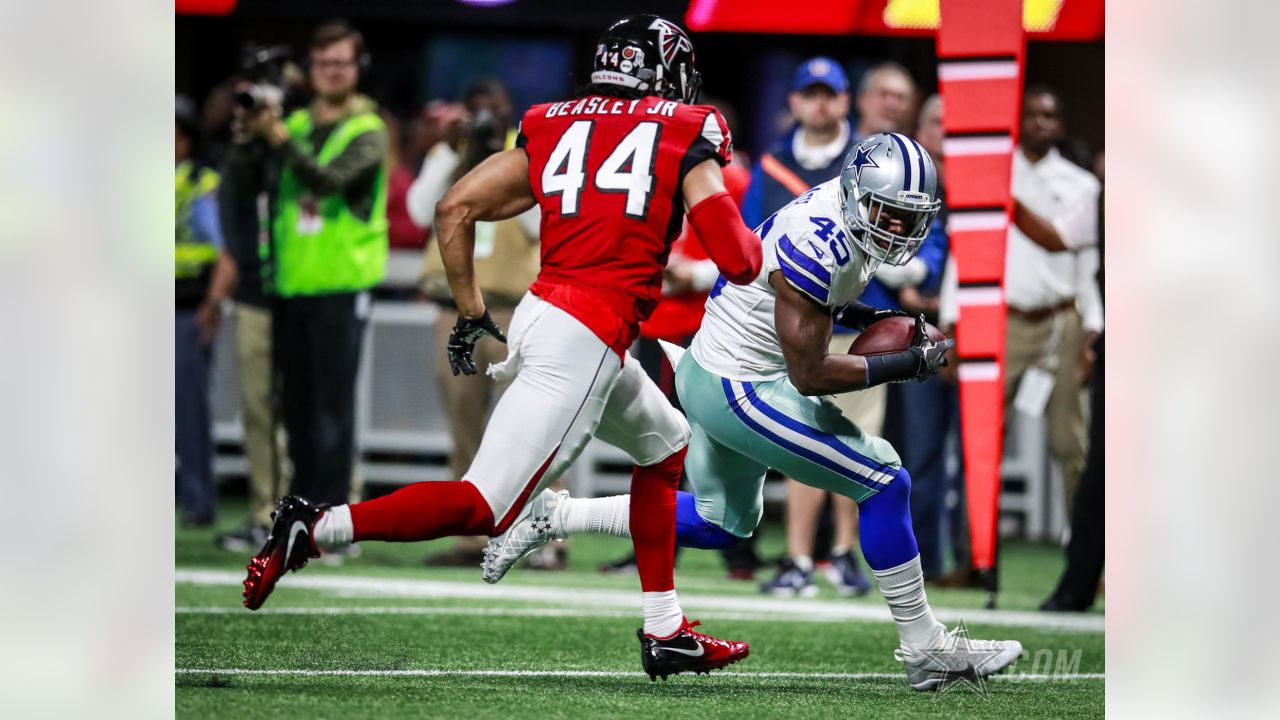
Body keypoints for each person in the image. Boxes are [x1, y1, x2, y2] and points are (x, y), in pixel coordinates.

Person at [242, 14, 762, 680]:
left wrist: (471, 312)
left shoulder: (554, 120)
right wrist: (769, 245)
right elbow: (739, 261)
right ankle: (313, 528)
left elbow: (454, 206)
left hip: (545, 311)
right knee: (483, 506)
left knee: (664, 443)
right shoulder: (687, 130)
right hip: (587, 334)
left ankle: (665, 630)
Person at [487, 134, 1023, 691]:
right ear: (859, 196)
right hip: (741, 385)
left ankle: (554, 517)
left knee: (724, 523)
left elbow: (810, 298)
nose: (896, 231)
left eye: (909, 220)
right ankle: (926, 647)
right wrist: (908, 361)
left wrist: (865, 317)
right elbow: (809, 374)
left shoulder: (836, 210)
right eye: (888, 214)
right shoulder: (825, 240)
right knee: (884, 481)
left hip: (710, 368)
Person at [749, 60, 920, 597]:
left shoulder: (875, 160)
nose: (820, 105)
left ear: (847, 101)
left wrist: (915, 273)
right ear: (795, 102)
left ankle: (843, 553)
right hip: (795, 322)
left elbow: (914, 233)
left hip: (861, 315)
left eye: (830, 94)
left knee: (860, 440)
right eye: (811, 94)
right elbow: (750, 241)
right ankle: (799, 555)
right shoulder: (774, 164)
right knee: (805, 436)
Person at [236, 20, 390, 509]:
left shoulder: (369, 130)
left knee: (331, 411)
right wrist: (248, 136)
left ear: (358, 68)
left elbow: (325, 181)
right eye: (322, 63)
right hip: (291, 285)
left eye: (341, 62)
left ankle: (332, 518)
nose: (330, 72)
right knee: (297, 410)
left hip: (341, 285)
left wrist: (277, 137)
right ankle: (299, 512)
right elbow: (246, 185)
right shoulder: (296, 124)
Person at [405, 79, 549, 570]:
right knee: (464, 431)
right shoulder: (450, 154)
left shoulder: (528, 152)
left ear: (510, 112)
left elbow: (537, 225)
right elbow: (420, 212)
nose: (487, 120)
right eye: (478, 111)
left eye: (495, 110)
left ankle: (542, 540)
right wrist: (450, 154)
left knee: (532, 428)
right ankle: (471, 539)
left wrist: (500, 159)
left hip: (513, 310)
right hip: (454, 312)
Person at [1004, 86, 1102, 515]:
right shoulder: (999, 169)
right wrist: (954, 316)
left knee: (1070, 441)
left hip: (1063, 320)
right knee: (982, 437)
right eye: (1031, 115)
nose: (1040, 123)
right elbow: (969, 246)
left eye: (1049, 116)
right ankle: (977, 556)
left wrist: (1092, 331)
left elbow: (1082, 261)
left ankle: (1084, 556)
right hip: (1005, 319)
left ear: (1060, 125)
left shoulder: (1082, 185)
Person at [175, 95, 236, 526]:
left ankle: (197, 501)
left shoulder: (201, 183)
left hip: (185, 306)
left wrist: (213, 303)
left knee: (187, 410)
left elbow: (225, 250)